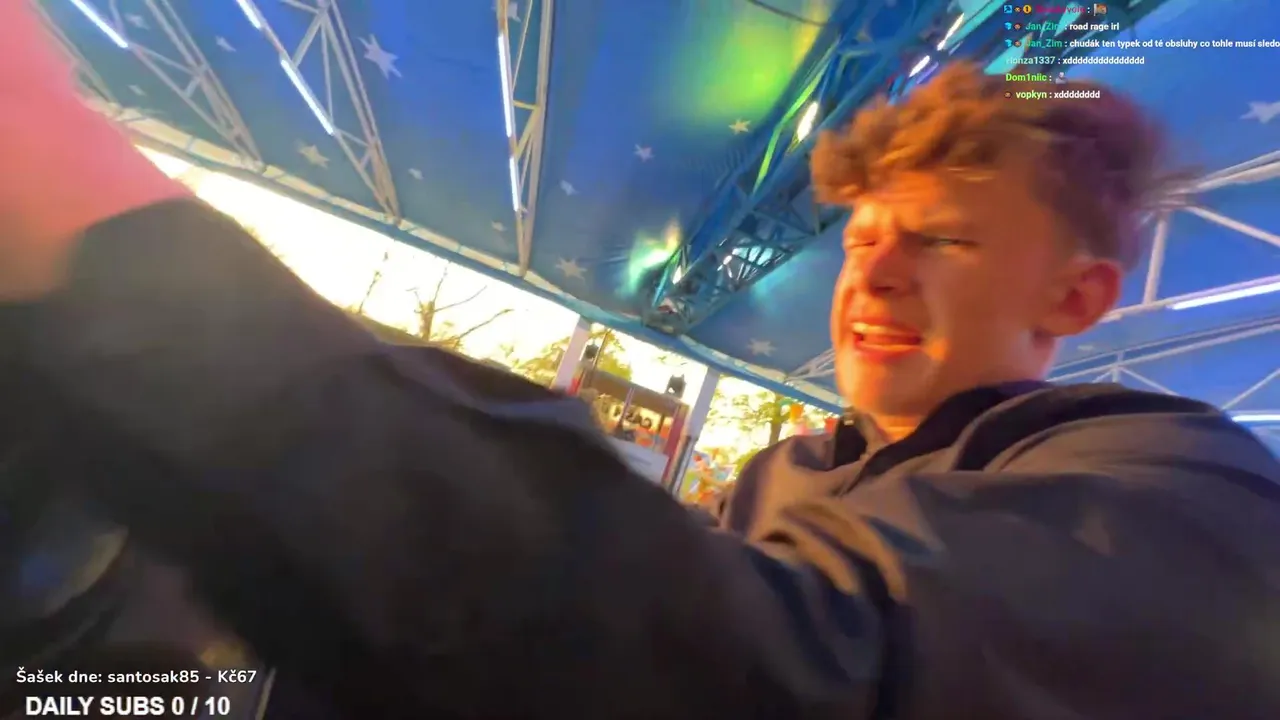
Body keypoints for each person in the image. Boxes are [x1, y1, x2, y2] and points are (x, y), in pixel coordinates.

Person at [2, 2, 1279, 717]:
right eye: (862, 236)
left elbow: (745, 677)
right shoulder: (796, 473)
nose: (874, 275)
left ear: (1076, 294)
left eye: (941, 238)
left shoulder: (1174, 491)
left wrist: (110, 252)